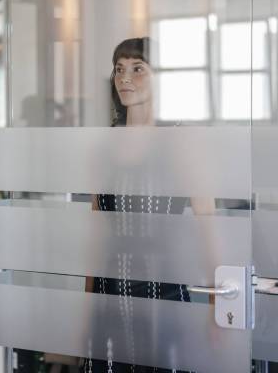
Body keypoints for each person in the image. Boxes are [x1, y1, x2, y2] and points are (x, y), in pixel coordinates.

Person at [84, 38, 199, 373]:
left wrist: (218, 305)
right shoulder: (104, 145)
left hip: (163, 294)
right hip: (108, 296)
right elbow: (96, 236)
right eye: (119, 69)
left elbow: (209, 225)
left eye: (137, 68)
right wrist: (85, 308)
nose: (124, 77)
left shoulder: (179, 141)